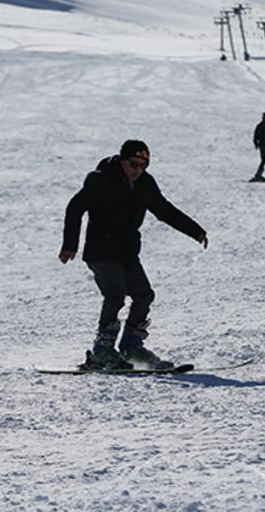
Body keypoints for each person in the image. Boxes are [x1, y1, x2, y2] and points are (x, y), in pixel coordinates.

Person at [60, 140, 208, 370]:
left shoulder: (145, 184)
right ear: (122, 160)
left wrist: (195, 231)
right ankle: (102, 352)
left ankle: (131, 347)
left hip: (127, 252)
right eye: (133, 164)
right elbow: (75, 208)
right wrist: (70, 244)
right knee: (115, 295)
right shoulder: (101, 180)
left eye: (142, 165)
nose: (137, 170)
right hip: (101, 250)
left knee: (143, 295)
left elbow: (163, 209)